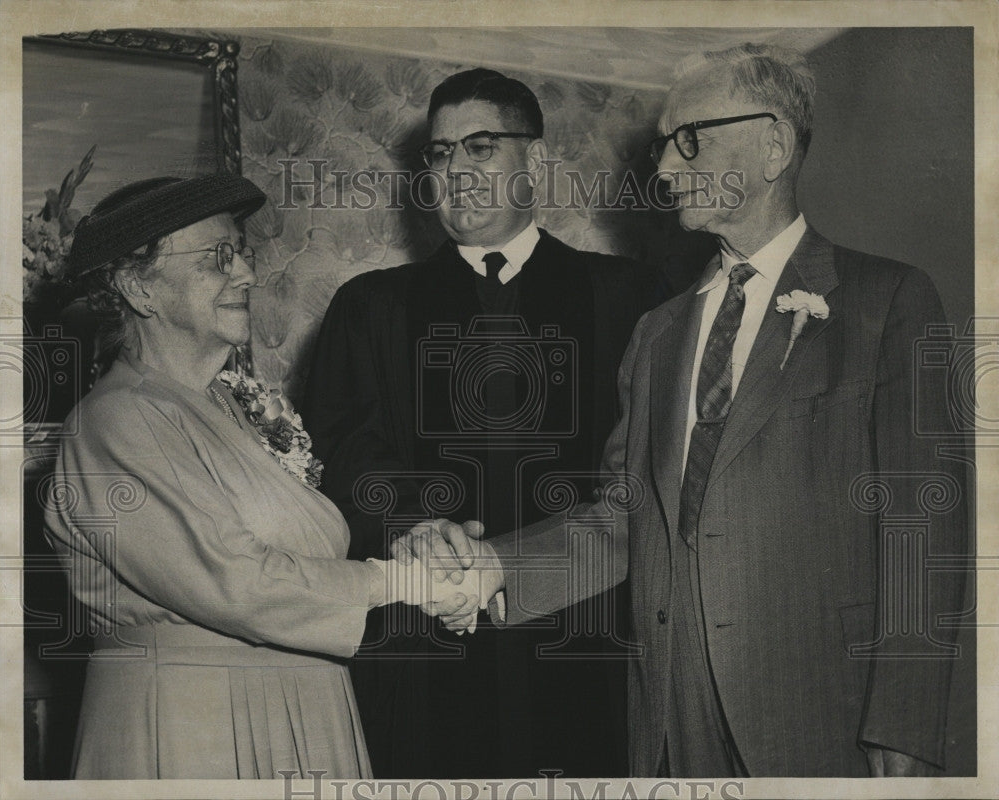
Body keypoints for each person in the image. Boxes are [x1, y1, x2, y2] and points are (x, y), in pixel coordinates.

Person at [399, 43, 969, 777]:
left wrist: (906, 728)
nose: (665, 168)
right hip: (669, 718)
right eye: (666, 145)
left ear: (772, 145)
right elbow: (624, 516)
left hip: (822, 714)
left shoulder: (889, 301)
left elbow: (921, 528)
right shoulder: (659, 331)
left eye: (689, 140)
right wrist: (495, 567)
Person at [42, 174, 478, 779]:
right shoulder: (116, 420)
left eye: (241, 252)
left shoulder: (238, 407)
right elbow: (237, 581)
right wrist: (404, 583)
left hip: (305, 701)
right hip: (193, 722)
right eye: (217, 258)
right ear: (138, 286)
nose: (245, 274)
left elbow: (310, 549)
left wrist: (419, 554)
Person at [301, 68, 668, 778]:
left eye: (481, 147)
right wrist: (409, 523)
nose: (457, 172)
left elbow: (647, 473)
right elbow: (344, 449)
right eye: (440, 155)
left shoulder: (626, 296)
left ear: (534, 160)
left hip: (585, 626)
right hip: (427, 637)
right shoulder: (372, 306)